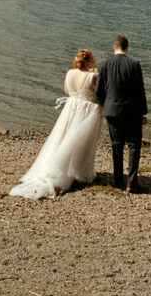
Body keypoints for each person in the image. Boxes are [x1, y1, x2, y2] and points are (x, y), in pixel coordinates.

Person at [9, 48, 102, 200]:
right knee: (82, 142)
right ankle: (80, 171)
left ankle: (59, 166)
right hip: (86, 110)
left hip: (71, 108)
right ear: (88, 61)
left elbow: (67, 91)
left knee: (63, 138)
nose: (95, 61)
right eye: (93, 59)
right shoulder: (92, 76)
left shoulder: (69, 73)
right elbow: (98, 94)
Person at [95, 34, 148, 193]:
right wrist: (143, 112)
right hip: (132, 111)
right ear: (127, 47)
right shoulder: (134, 64)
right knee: (134, 145)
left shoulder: (104, 64)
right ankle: (131, 182)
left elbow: (98, 90)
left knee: (116, 145)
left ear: (114, 47)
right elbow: (140, 91)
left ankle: (118, 180)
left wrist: (106, 105)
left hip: (112, 111)